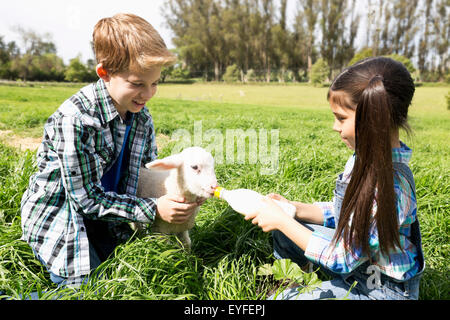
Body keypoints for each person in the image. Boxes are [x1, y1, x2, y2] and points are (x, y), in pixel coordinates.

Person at [20, 13, 201, 289]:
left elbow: (146, 176)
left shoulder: (140, 116)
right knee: (86, 291)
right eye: (138, 84)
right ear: (104, 73)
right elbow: (86, 201)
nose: (148, 93)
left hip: (110, 215)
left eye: (155, 83)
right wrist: (154, 209)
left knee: (134, 278)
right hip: (64, 217)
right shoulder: (76, 120)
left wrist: (185, 193)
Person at [246, 57, 425, 300]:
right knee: (286, 230)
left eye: (341, 118)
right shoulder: (362, 157)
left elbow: (343, 258)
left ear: (372, 119)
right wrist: (293, 209)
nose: (334, 126)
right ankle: (296, 284)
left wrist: (282, 220)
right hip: (359, 266)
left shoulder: (391, 186)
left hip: (380, 290)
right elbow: (343, 213)